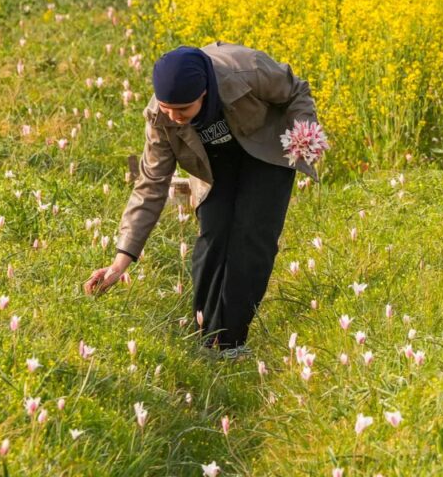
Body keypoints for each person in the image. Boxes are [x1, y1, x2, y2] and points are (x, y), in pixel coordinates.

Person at [82, 42, 320, 359]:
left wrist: (305, 131)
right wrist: (120, 261)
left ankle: (232, 342)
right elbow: (151, 184)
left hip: (265, 148)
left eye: (183, 109)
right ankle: (207, 338)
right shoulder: (160, 117)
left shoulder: (245, 71)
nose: (174, 117)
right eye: (168, 108)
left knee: (251, 235)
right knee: (214, 232)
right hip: (214, 160)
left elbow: (296, 90)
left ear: (205, 92)